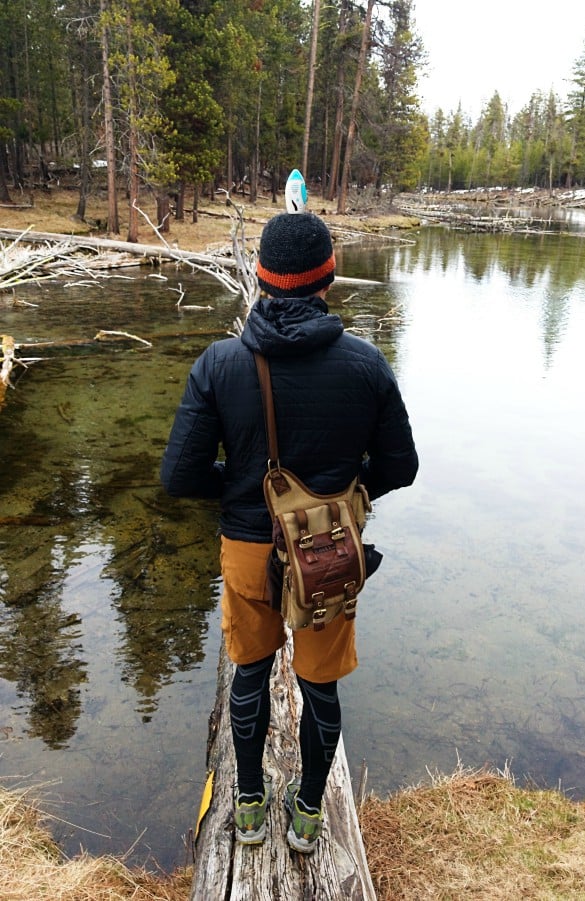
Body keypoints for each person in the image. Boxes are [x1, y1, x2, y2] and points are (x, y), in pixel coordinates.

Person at [160, 211, 418, 853]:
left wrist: (248, 496)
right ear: (327, 281)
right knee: (319, 684)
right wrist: (341, 499)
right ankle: (307, 816)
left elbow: (179, 476)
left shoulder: (218, 364)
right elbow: (401, 467)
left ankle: (249, 806)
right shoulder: (366, 365)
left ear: (261, 278)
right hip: (329, 553)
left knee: (249, 675)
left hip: (249, 552)